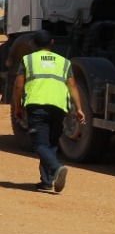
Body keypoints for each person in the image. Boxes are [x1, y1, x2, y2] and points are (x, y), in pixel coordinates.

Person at [10, 33, 85, 193]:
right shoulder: (64, 62)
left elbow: (18, 86)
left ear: (34, 43)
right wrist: (78, 108)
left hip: (37, 106)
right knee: (51, 143)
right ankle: (47, 181)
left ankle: (56, 168)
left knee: (39, 144)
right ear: (52, 42)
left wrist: (18, 107)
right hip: (59, 107)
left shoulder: (28, 60)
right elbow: (72, 85)